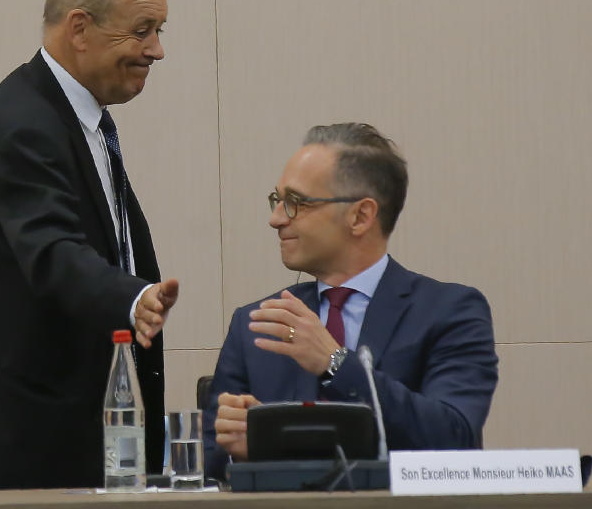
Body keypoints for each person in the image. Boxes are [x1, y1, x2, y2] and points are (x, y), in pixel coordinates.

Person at [0, 0, 178, 490]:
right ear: (80, 28)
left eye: (158, 31)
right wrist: (132, 299)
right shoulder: (26, 124)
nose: (157, 49)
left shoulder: (76, 117)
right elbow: (51, 249)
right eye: (142, 31)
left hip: (71, 440)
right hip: (20, 449)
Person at [203, 123, 498, 480]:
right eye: (277, 200)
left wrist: (335, 363)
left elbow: (455, 438)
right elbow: (209, 460)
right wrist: (242, 450)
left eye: (296, 203)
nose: (276, 218)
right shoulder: (256, 324)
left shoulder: (449, 311)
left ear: (360, 216)